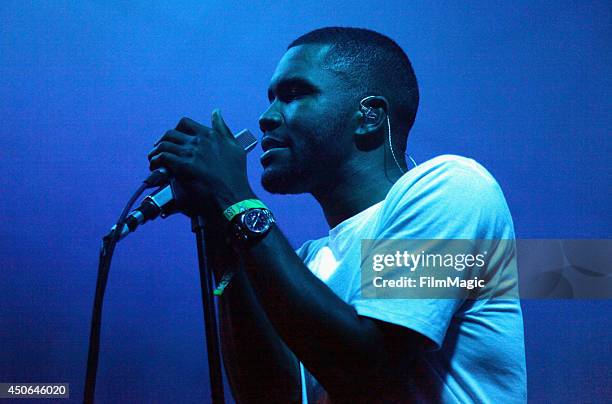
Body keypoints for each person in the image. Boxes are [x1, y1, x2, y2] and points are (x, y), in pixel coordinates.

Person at [148, 27, 527, 403]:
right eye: (271, 98)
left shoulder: (453, 185)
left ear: (369, 116)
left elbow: (366, 366)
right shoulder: (307, 264)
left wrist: (235, 194)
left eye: (294, 94)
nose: (266, 117)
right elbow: (273, 397)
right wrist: (221, 226)